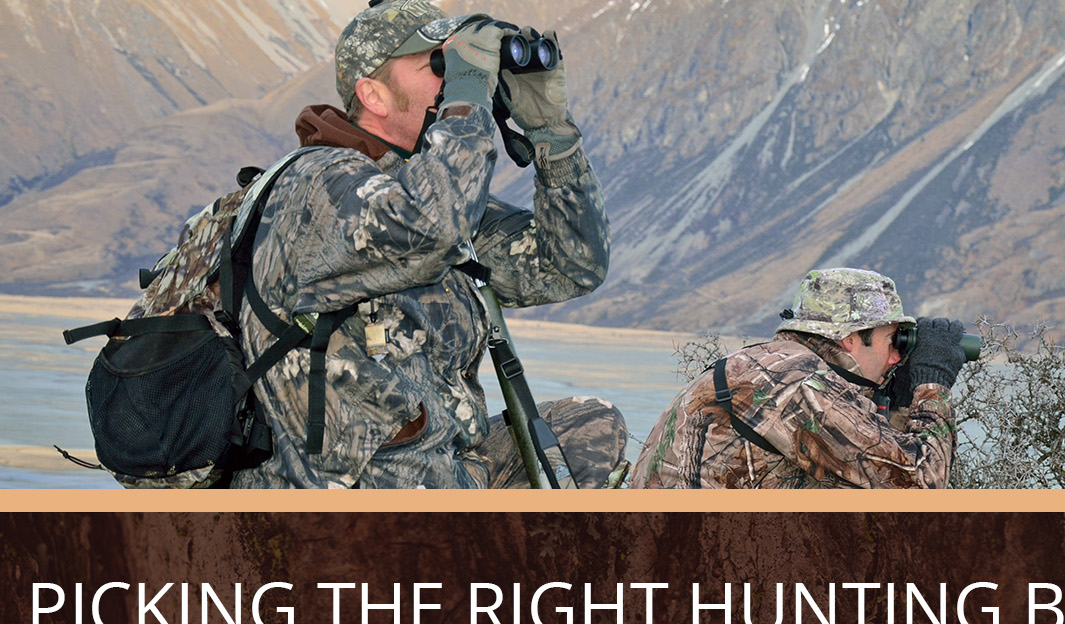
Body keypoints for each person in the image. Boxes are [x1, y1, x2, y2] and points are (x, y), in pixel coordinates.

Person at [231, 0, 625, 488]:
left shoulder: (420, 189)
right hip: (355, 492)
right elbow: (433, 225)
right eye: (439, 64)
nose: (456, 79)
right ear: (373, 95)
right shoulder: (319, 184)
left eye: (457, 65)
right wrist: (466, 97)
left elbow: (570, 265)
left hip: (444, 466)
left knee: (589, 426)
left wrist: (551, 134)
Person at [631, 268, 967, 488]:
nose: (897, 355)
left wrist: (902, 399)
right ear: (849, 338)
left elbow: (864, 471)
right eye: (893, 340)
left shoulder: (774, 365)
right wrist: (932, 381)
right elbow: (921, 485)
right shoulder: (798, 385)